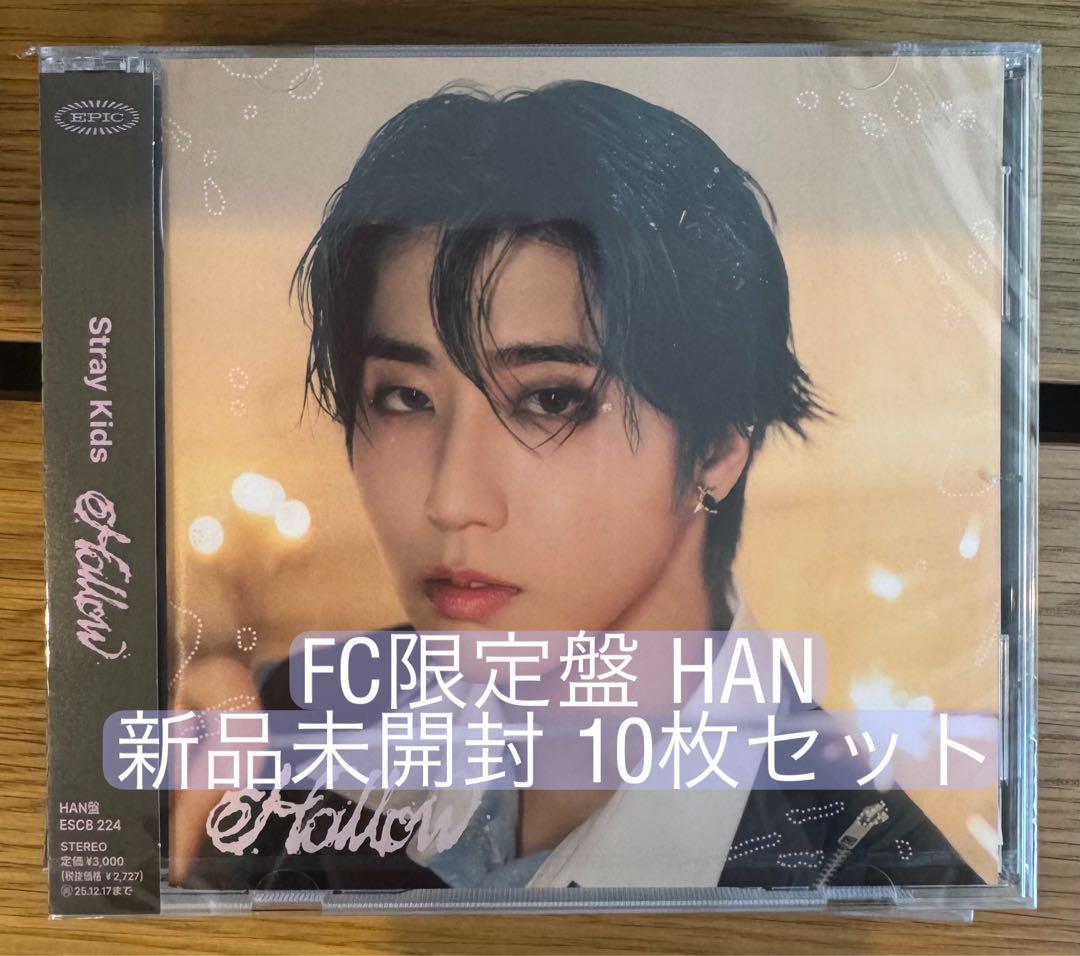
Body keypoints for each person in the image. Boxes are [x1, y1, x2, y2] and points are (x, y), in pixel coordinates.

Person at [174, 79, 981, 894]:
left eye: (552, 400)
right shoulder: (294, 721)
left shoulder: (875, 890)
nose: (452, 499)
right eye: (407, 398)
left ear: (715, 449)